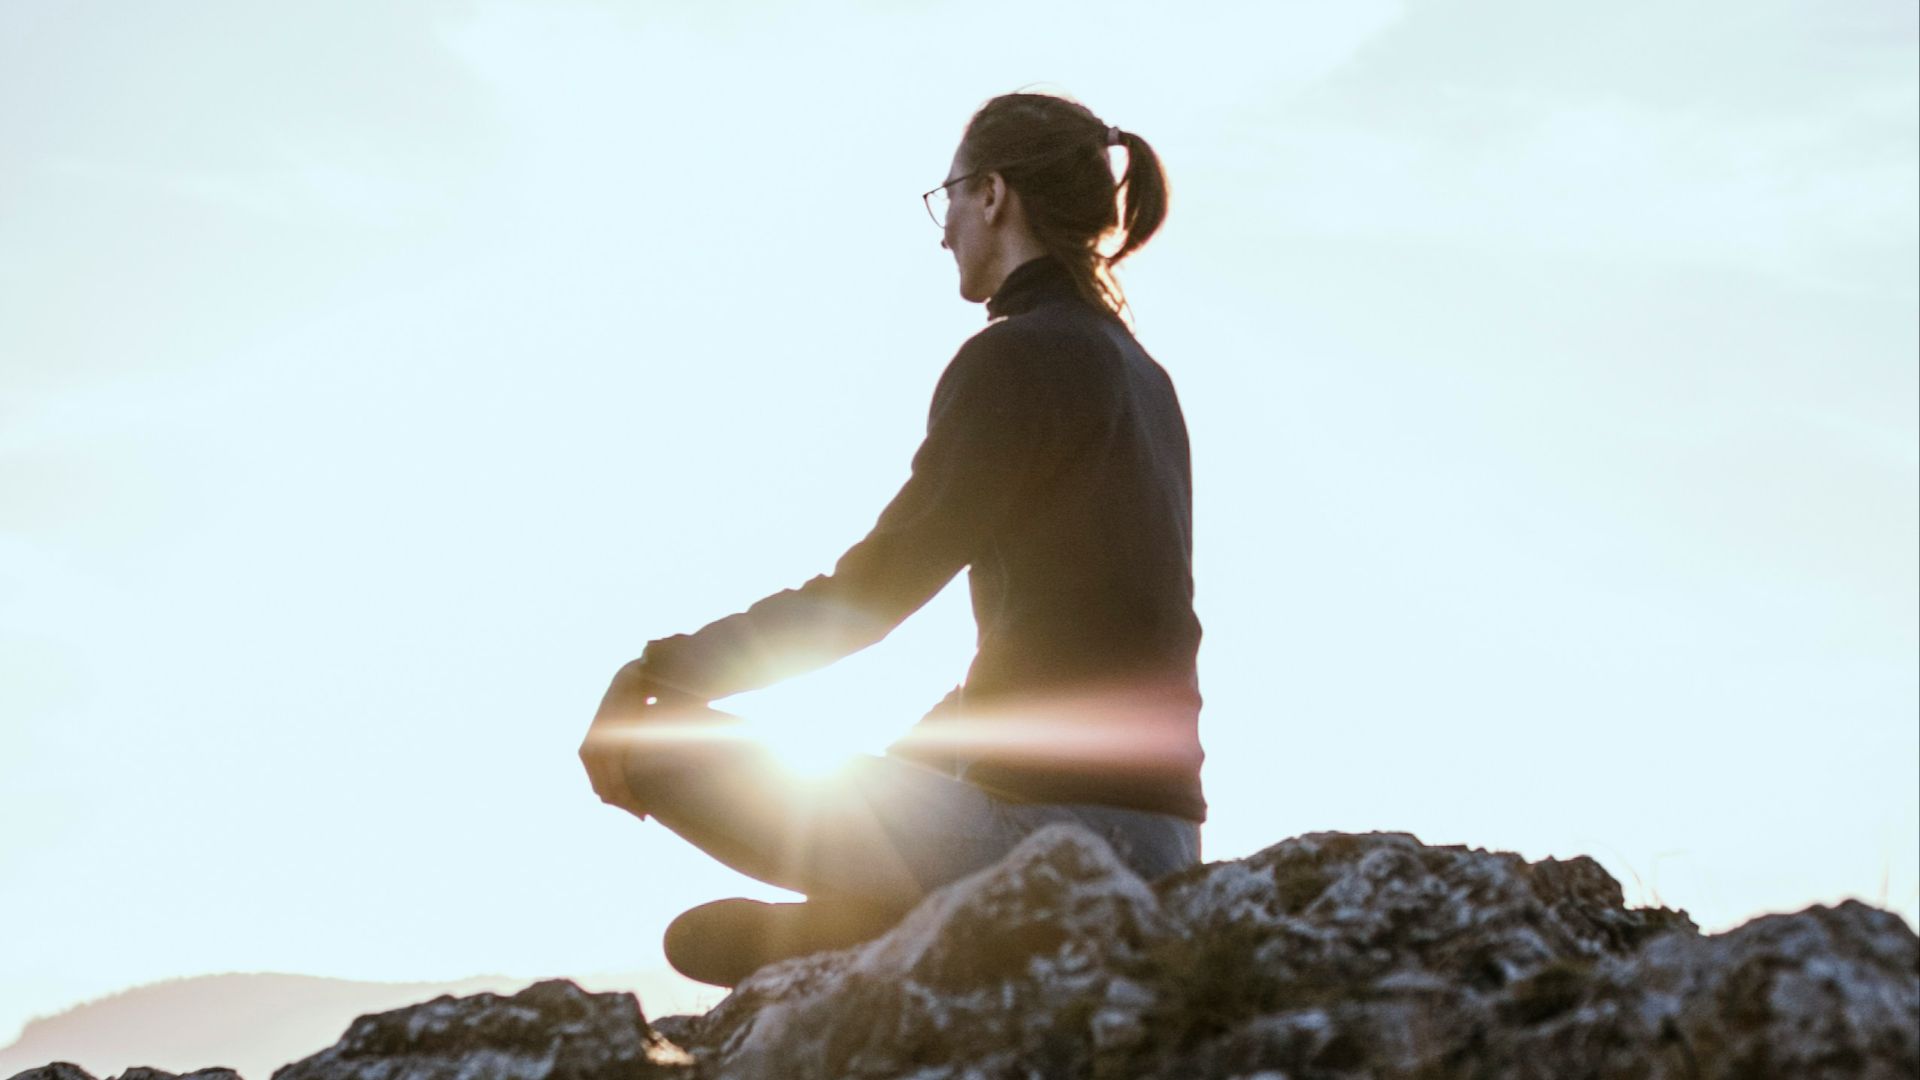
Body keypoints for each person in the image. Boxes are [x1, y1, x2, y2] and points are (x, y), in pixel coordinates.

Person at [578, 90, 1206, 989]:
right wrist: (918, 756)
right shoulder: (1143, 375)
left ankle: (890, 930)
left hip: (1059, 847)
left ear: (993, 194)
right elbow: (1087, 641)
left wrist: (658, 673)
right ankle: (887, 925)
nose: (943, 227)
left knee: (648, 742)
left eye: (948, 196)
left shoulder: (1017, 356)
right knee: (908, 760)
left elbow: (867, 598)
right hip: (1164, 842)